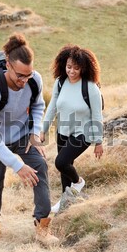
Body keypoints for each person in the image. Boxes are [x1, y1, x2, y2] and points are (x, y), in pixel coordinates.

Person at [0, 33, 59, 246]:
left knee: (40, 166)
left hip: (23, 135)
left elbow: (38, 106)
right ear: (8, 66)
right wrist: (16, 164)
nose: (24, 81)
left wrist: (34, 134)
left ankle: (42, 226)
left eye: (28, 75)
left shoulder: (35, 80)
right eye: (20, 76)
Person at [41, 44, 103, 214]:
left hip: (83, 133)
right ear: (64, 65)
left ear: (83, 68)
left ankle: (79, 182)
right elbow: (52, 107)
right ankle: (65, 204)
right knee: (64, 169)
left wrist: (98, 141)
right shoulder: (60, 82)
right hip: (62, 131)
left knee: (61, 162)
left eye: (76, 68)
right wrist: (43, 130)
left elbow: (97, 116)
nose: (72, 71)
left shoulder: (90, 87)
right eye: (69, 67)